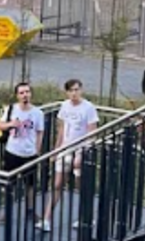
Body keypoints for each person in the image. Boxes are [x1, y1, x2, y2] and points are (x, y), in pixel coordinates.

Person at [38, 78, 100, 231]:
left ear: (81, 90)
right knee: (57, 184)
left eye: (77, 89)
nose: (74, 93)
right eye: (71, 90)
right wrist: (56, 149)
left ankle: (86, 217)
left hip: (81, 149)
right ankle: (46, 219)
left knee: (81, 185)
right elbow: (61, 130)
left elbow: (93, 133)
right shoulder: (64, 106)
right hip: (66, 149)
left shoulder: (88, 108)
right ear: (67, 92)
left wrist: (83, 153)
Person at [0, 82, 45, 179]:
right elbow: (0, 125)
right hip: (12, 151)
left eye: (27, 92)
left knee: (30, 183)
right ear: (17, 96)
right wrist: (10, 124)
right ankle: (10, 194)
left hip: (30, 153)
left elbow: (40, 132)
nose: (25, 95)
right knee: (8, 181)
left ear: (31, 94)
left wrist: (37, 151)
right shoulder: (11, 109)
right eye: (22, 93)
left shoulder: (38, 113)